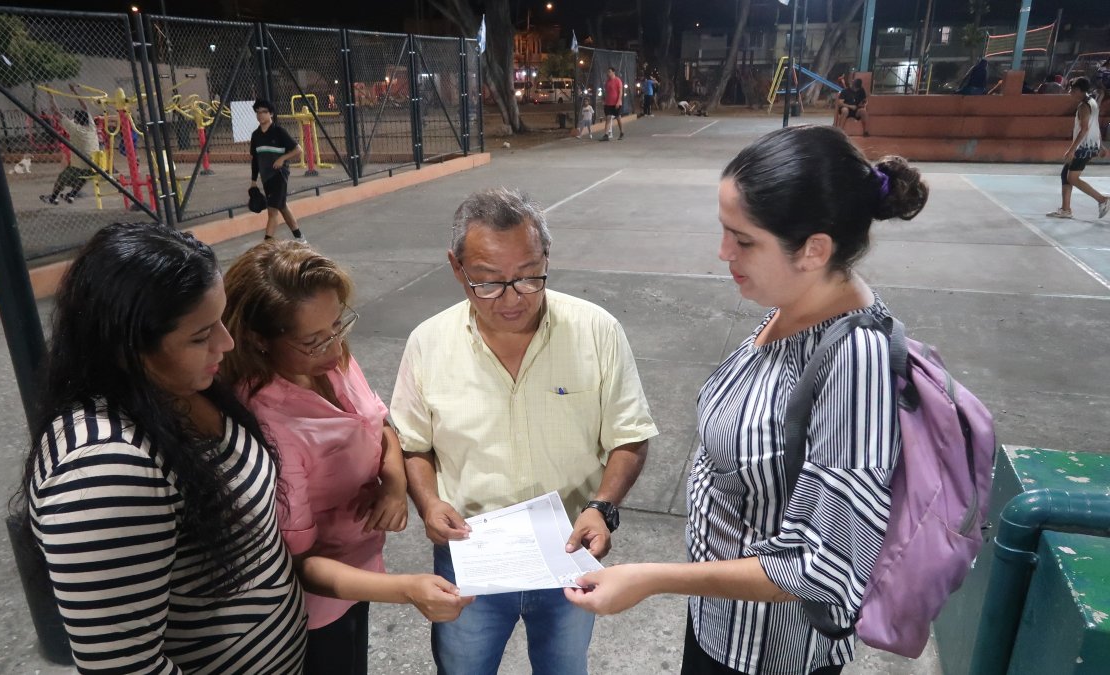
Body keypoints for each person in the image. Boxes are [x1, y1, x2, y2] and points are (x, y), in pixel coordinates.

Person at [565, 125, 931, 675]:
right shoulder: (792, 305)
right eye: (724, 231)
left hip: (771, 651)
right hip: (722, 620)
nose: (723, 252)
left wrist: (652, 578)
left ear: (814, 249)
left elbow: (824, 564)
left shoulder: (855, 363)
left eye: (744, 240)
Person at [17, 222, 308, 672]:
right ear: (125, 346)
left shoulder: (176, 386)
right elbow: (123, 666)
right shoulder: (106, 471)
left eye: (220, 320)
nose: (226, 343)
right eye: (200, 335)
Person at [390, 187, 659, 675]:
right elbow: (414, 444)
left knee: (563, 666)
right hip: (469, 552)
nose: (513, 298)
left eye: (529, 276)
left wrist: (602, 506)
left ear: (546, 257)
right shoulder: (428, 343)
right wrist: (428, 503)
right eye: (489, 282)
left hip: (568, 550)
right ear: (457, 269)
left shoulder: (596, 331)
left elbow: (629, 434)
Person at [221, 240, 471, 675]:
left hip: (361, 570)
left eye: (338, 325)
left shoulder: (329, 361)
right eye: (314, 341)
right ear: (259, 340)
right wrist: (407, 590)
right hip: (315, 606)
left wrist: (394, 484)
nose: (336, 350)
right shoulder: (270, 423)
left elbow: (379, 423)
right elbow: (296, 563)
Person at [1047, 77, 1109, 220]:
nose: (1070, 92)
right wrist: (1100, 145)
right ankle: (1065, 209)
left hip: (1084, 147)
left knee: (1072, 178)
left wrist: (1072, 149)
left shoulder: (1083, 107)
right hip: (1091, 145)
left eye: (1072, 90)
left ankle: (1102, 200)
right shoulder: (1092, 102)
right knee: (1065, 175)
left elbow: (1084, 129)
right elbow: (1095, 126)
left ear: (1080, 91)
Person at [250, 99, 304, 240]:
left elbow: (298, 150)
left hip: (279, 175)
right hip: (266, 177)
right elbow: (255, 159)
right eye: (258, 112)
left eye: (264, 112)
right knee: (282, 206)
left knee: (272, 211)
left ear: (271, 114)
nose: (260, 115)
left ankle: (266, 245)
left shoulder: (279, 132)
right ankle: (300, 238)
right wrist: (253, 181)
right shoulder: (255, 135)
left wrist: (282, 159)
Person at [39, 85, 100, 205]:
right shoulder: (91, 127)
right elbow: (85, 107)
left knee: (63, 177)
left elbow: (56, 112)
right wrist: (75, 91)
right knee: (81, 175)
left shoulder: (74, 129)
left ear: (76, 120)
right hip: (95, 167)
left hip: (80, 168)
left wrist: (50, 95)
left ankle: (53, 198)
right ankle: (72, 195)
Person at [601, 66, 625, 141]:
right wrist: (604, 100)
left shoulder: (618, 80)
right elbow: (606, 92)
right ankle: (606, 135)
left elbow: (620, 92)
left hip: (616, 103)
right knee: (608, 118)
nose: (608, 73)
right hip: (608, 103)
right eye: (608, 72)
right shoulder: (607, 82)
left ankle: (621, 132)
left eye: (609, 72)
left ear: (613, 72)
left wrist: (618, 101)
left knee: (618, 118)